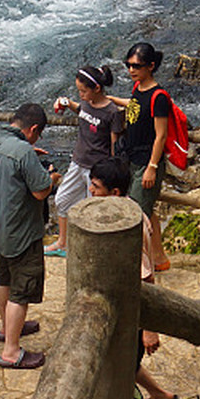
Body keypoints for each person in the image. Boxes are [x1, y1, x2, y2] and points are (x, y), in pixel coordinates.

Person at [88, 157, 177, 399]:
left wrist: (149, 328)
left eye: (96, 187)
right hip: (121, 304)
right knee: (127, 364)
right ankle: (159, 394)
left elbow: (146, 276)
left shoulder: (128, 226)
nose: (90, 191)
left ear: (114, 192)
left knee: (119, 371)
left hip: (132, 311)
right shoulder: (126, 209)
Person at [0, 102, 59, 369]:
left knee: (4, 276)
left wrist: (29, 156)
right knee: (22, 288)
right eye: (38, 134)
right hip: (22, 230)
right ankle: (11, 351)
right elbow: (39, 191)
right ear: (33, 129)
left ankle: (7, 328)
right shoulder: (23, 151)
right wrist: (51, 177)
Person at [48, 66, 125, 257]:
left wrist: (113, 169)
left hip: (97, 168)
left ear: (97, 88)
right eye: (78, 91)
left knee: (94, 210)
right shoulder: (86, 103)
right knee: (62, 200)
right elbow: (81, 110)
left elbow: (115, 142)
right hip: (77, 162)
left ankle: (93, 250)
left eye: (83, 90)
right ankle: (63, 243)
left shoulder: (112, 112)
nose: (80, 94)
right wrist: (67, 103)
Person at [119, 42, 175, 271]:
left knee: (138, 213)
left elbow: (160, 136)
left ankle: (144, 266)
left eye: (136, 66)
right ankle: (159, 258)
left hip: (146, 162)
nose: (131, 70)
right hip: (132, 158)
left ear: (151, 66)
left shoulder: (159, 97)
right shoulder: (137, 89)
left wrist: (152, 166)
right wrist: (109, 100)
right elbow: (134, 110)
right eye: (128, 65)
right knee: (146, 211)